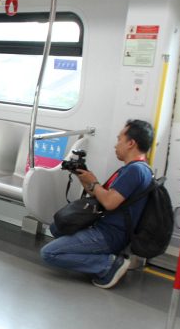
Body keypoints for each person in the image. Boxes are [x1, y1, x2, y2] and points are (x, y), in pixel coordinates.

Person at [41, 119, 154, 289]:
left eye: (119, 140)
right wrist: (85, 178)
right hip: (108, 227)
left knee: (49, 253)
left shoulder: (134, 171)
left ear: (131, 143)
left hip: (109, 234)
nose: (116, 145)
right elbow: (103, 195)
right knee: (57, 228)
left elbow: (108, 203)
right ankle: (95, 257)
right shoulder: (139, 169)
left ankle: (108, 265)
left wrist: (93, 182)